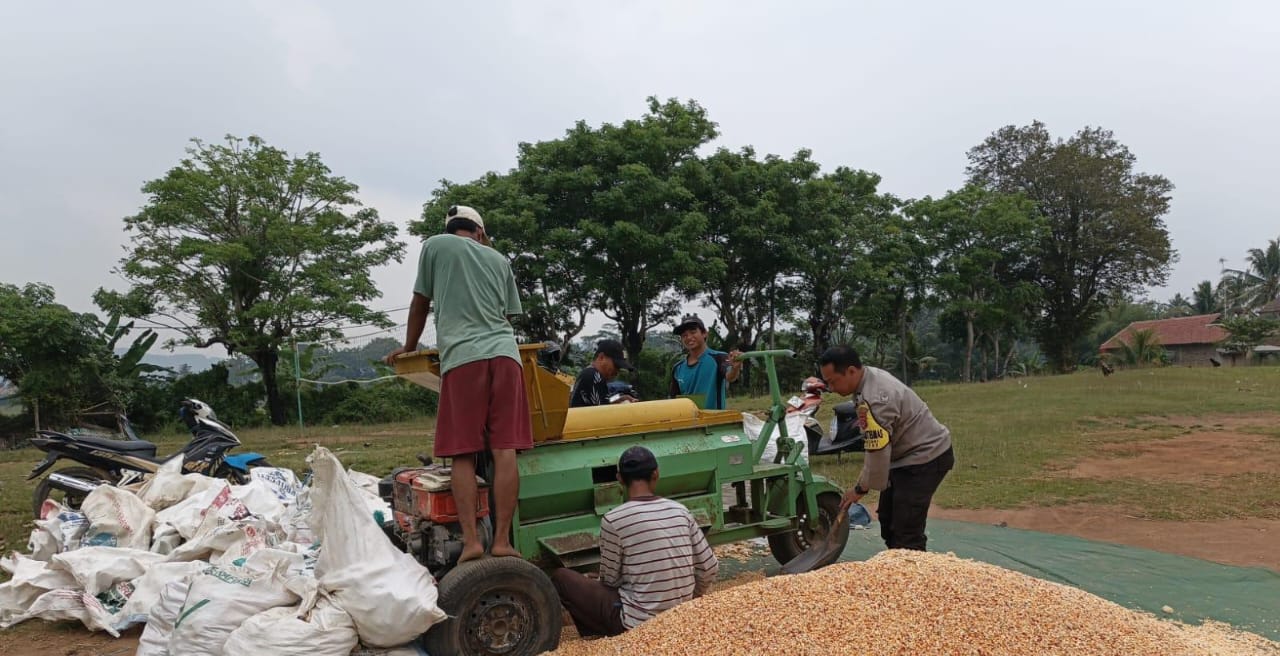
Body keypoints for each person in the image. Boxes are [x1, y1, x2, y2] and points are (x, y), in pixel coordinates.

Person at [384, 204, 529, 563]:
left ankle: (472, 543)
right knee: (504, 451)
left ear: (451, 227)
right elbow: (506, 315)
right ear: (480, 232)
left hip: (464, 358)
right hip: (506, 356)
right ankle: (502, 541)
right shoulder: (499, 260)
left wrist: (409, 346)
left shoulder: (435, 245)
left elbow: (421, 302)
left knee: (463, 453)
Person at [551, 446, 719, 637]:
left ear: (620, 479)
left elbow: (610, 581)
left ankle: (597, 636)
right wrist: (690, 603)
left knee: (561, 578)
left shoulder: (614, 520)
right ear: (656, 474)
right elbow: (709, 567)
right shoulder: (681, 511)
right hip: (681, 617)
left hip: (637, 624)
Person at [818, 345, 955, 551]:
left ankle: (914, 568)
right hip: (903, 457)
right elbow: (873, 443)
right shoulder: (866, 381)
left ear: (851, 371)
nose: (831, 388)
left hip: (926, 456)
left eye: (833, 381)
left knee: (905, 529)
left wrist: (859, 489)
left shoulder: (876, 398)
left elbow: (878, 452)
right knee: (887, 518)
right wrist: (862, 483)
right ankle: (896, 561)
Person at [667, 314, 742, 410]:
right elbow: (674, 400)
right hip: (688, 419)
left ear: (704, 333)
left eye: (693, 332)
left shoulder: (719, 358)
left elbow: (730, 377)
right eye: (684, 335)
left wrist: (735, 368)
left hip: (714, 418)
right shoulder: (678, 368)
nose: (689, 337)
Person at [570, 339, 637, 408]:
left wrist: (620, 399)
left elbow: (598, 406)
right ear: (601, 357)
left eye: (619, 368)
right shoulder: (595, 377)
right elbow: (602, 412)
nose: (617, 372)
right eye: (616, 366)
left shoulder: (588, 373)